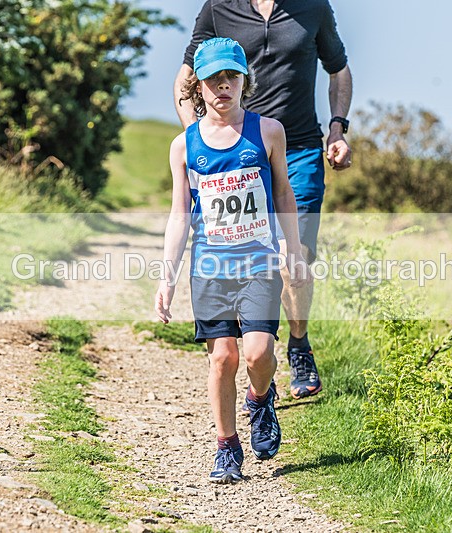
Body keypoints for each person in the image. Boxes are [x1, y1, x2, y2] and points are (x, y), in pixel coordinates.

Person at [174, 0, 352, 400]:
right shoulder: (219, 7)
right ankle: (257, 353)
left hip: (300, 148)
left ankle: (299, 344)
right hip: (238, 156)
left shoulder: (312, 6)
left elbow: (338, 69)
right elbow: (185, 77)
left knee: (297, 251)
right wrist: (200, 140)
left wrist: (338, 129)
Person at [155, 37, 310, 483]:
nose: (223, 86)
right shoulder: (184, 146)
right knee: (222, 358)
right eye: (213, 79)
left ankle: (261, 398)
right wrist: (166, 279)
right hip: (210, 269)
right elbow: (179, 216)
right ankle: (226, 447)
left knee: (259, 353)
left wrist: (293, 248)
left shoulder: (269, 132)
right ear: (198, 88)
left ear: (245, 81)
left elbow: (283, 191)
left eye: (232, 77)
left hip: (259, 263)